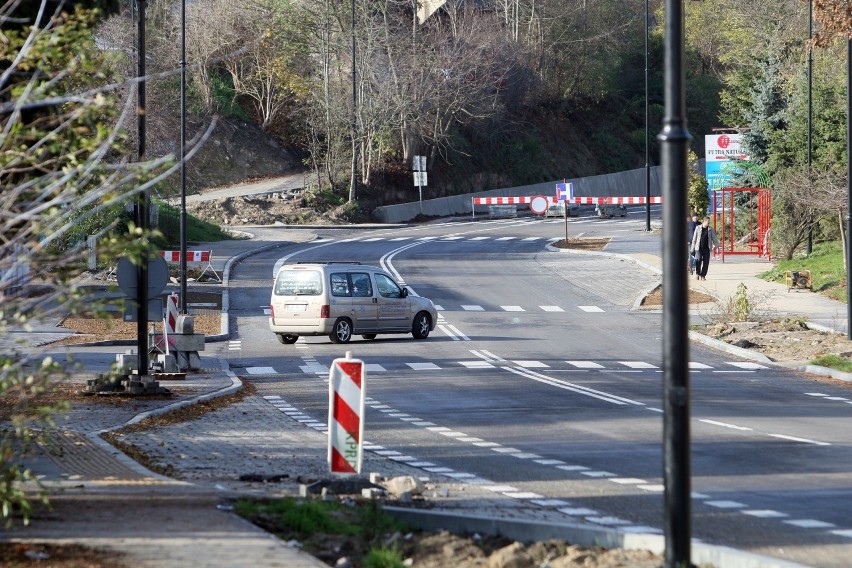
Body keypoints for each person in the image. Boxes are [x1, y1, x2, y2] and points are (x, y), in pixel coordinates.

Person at [691, 216, 720, 280]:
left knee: (706, 262)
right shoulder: (698, 228)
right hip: (698, 248)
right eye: (708, 222)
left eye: (709, 223)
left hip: (707, 248)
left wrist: (717, 247)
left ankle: (703, 275)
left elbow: (714, 239)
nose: (708, 224)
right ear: (704, 221)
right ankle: (698, 273)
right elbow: (694, 239)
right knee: (698, 260)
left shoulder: (710, 229)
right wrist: (692, 249)